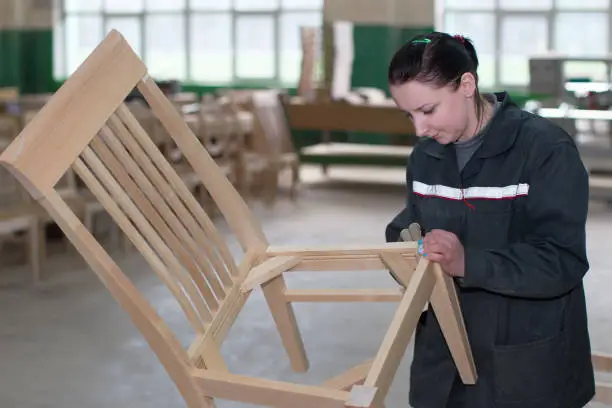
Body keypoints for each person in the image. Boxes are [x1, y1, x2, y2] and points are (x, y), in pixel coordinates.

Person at [384, 31, 595, 408]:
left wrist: (467, 262)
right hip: (444, 363)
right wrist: (404, 245)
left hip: (525, 368)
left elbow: (562, 259)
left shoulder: (544, 150)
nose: (419, 129)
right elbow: (410, 221)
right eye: (409, 115)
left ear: (467, 84)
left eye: (428, 110)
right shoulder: (425, 157)